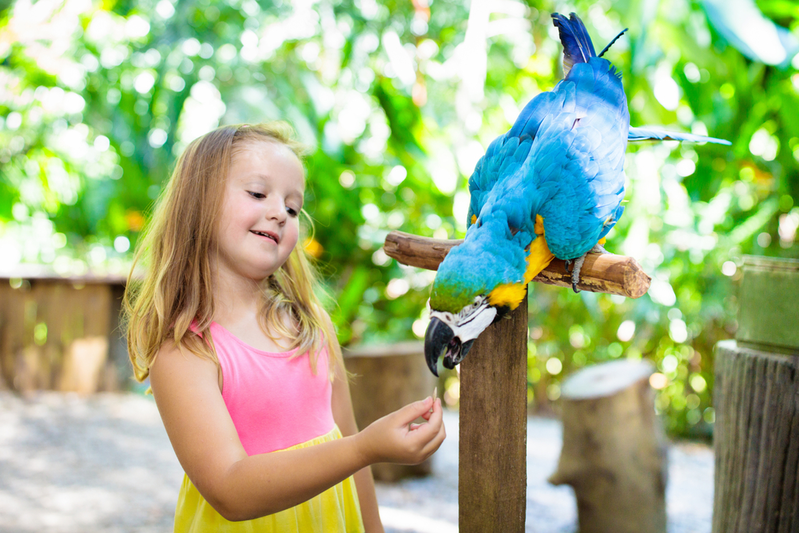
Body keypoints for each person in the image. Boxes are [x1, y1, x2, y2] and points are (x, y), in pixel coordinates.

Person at [123, 122, 446, 532]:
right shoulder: (185, 349)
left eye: (292, 208)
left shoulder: (312, 326)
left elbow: (348, 442)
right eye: (258, 193)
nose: (279, 212)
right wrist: (365, 449)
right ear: (198, 202)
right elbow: (230, 490)